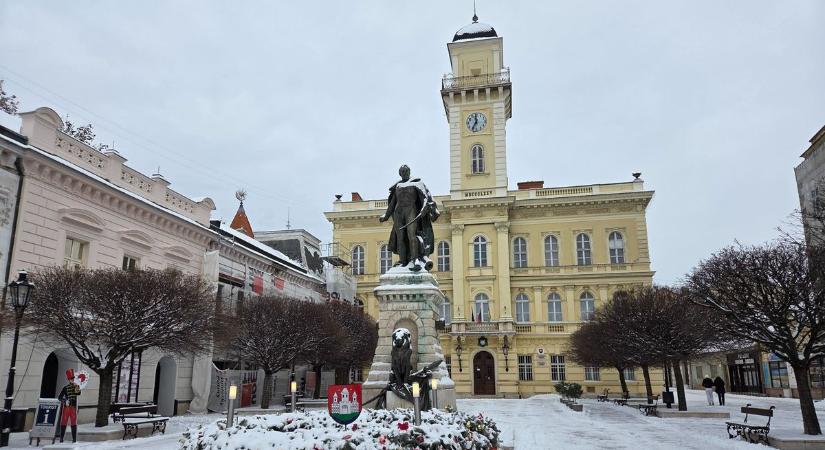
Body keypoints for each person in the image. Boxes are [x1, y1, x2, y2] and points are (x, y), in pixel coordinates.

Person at [58, 369, 81, 443]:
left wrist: (77, 387)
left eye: (73, 378)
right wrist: (64, 401)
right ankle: (61, 438)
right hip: (67, 407)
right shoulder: (65, 388)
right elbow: (59, 397)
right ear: (68, 379)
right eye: (71, 379)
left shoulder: (76, 386)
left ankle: (74, 439)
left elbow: (78, 394)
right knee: (63, 422)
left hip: (73, 407)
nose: (72, 380)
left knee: (73, 423)